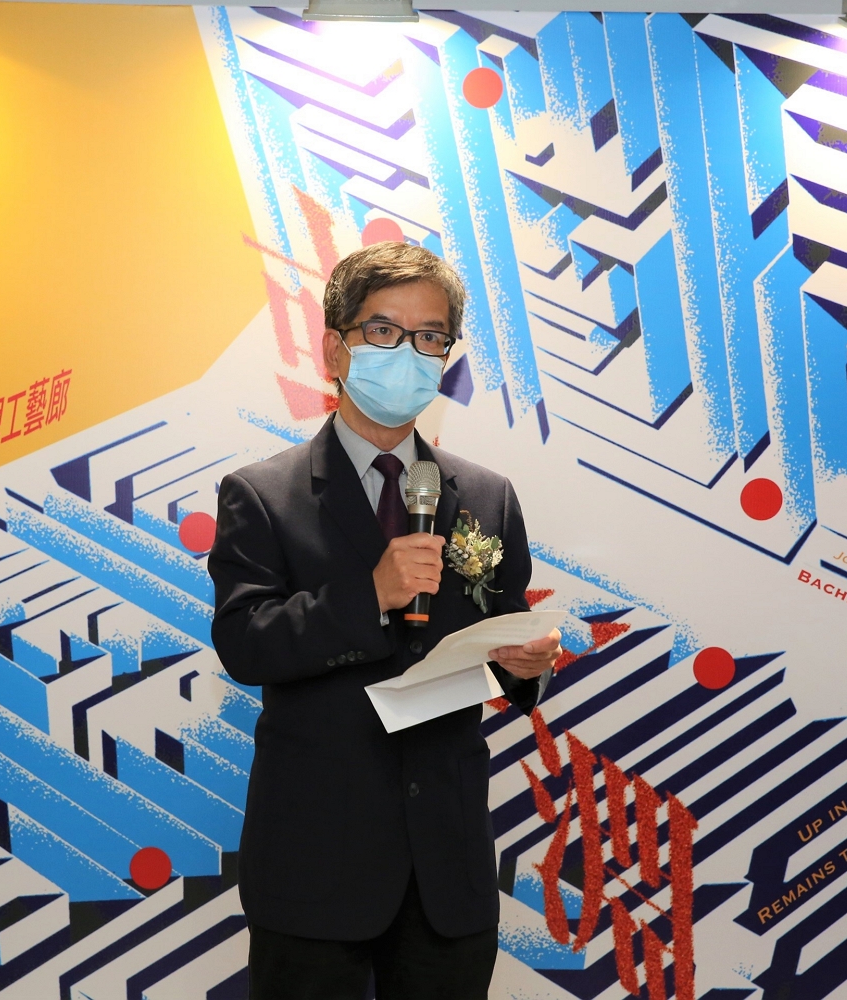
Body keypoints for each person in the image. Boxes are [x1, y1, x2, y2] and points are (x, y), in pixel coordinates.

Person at [208, 242, 562, 999]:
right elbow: (244, 644)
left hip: (447, 867)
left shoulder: (487, 495)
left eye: (430, 336)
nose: (408, 352)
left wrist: (525, 663)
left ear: (447, 359)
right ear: (335, 348)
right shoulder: (263, 495)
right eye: (383, 332)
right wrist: (367, 595)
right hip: (314, 859)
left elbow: (501, 632)